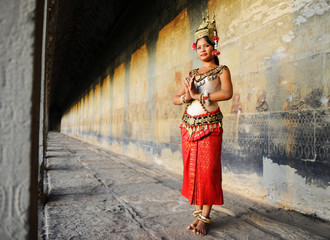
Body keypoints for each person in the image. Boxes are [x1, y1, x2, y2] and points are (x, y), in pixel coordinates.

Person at [172, 14, 233, 236]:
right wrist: (187, 97)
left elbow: (227, 94)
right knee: (193, 171)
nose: (202, 50)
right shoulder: (191, 74)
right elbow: (175, 98)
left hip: (210, 128)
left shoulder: (222, 70)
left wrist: (198, 95)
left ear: (214, 47)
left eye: (207, 45)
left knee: (208, 172)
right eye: (199, 47)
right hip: (189, 128)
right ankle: (197, 217)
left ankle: (206, 217)